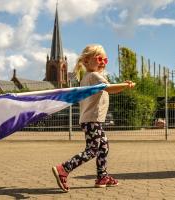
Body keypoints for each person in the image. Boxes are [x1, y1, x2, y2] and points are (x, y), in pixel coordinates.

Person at [52, 44, 135, 192]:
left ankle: (102, 176)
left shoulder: (88, 77)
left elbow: (109, 88)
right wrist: (125, 85)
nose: (102, 61)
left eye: (105, 59)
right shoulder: (94, 76)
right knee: (92, 150)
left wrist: (121, 86)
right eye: (99, 58)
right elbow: (110, 88)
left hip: (93, 120)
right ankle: (64, 169)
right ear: (86, 61)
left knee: (103, 147)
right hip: (92, 120)